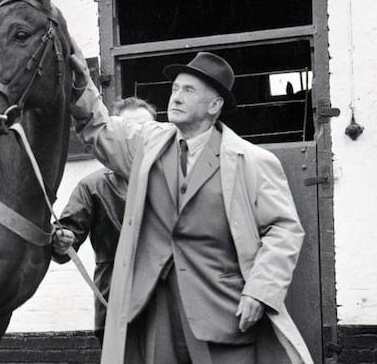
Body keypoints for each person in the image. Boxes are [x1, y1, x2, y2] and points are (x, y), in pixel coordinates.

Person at [67, 50, 313, 364]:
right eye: (174, 89)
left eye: (189, 90)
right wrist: (80, 85)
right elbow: (98, 128)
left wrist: (260, 291)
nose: (176, 97)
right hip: (155, 309)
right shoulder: (147, 142)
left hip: (224, 311)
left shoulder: (252, 161)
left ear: (215, 105)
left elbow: (284, 230)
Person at [51, 97, 157, 346]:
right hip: (116, 299)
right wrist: (60, 239)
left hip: (169, 301)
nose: (138, 136)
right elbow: (65, 244)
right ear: (114, 132)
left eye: (147, 129)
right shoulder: (93, 186)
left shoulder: (176, 174)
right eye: (130, 129)